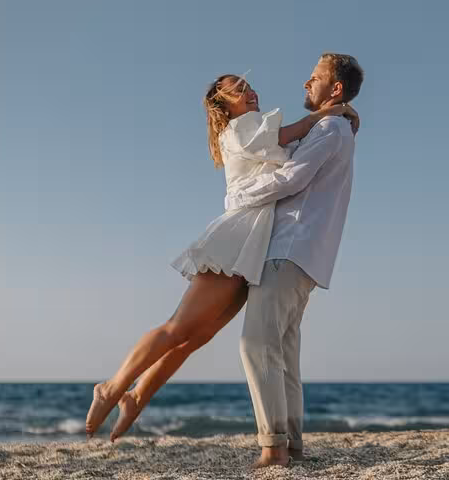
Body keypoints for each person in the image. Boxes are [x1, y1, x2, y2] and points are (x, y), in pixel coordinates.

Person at [84, 72, 359, 441]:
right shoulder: (242, 127)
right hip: (238, 241)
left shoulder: (253, 132)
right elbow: (288, 138)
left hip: (256, 247)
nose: (250, 90)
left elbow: (298, 154)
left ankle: (137, 396)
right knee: (178, 328)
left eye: (250, 85)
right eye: (239, 87)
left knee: (194, 338)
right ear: (221, 101)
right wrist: (324, 115)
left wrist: (339, 115)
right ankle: (112, 386)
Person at [225, 53, 364, 468]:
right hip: (302, 254)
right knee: (282, 354)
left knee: (256, 346)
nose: (306, 84)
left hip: (289, 250)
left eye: (314, 78)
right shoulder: (334, 125)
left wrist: (236, 198)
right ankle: (293, 447)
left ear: (335, 89)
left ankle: (273, 448)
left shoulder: (330, 128)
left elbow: (291, 178)